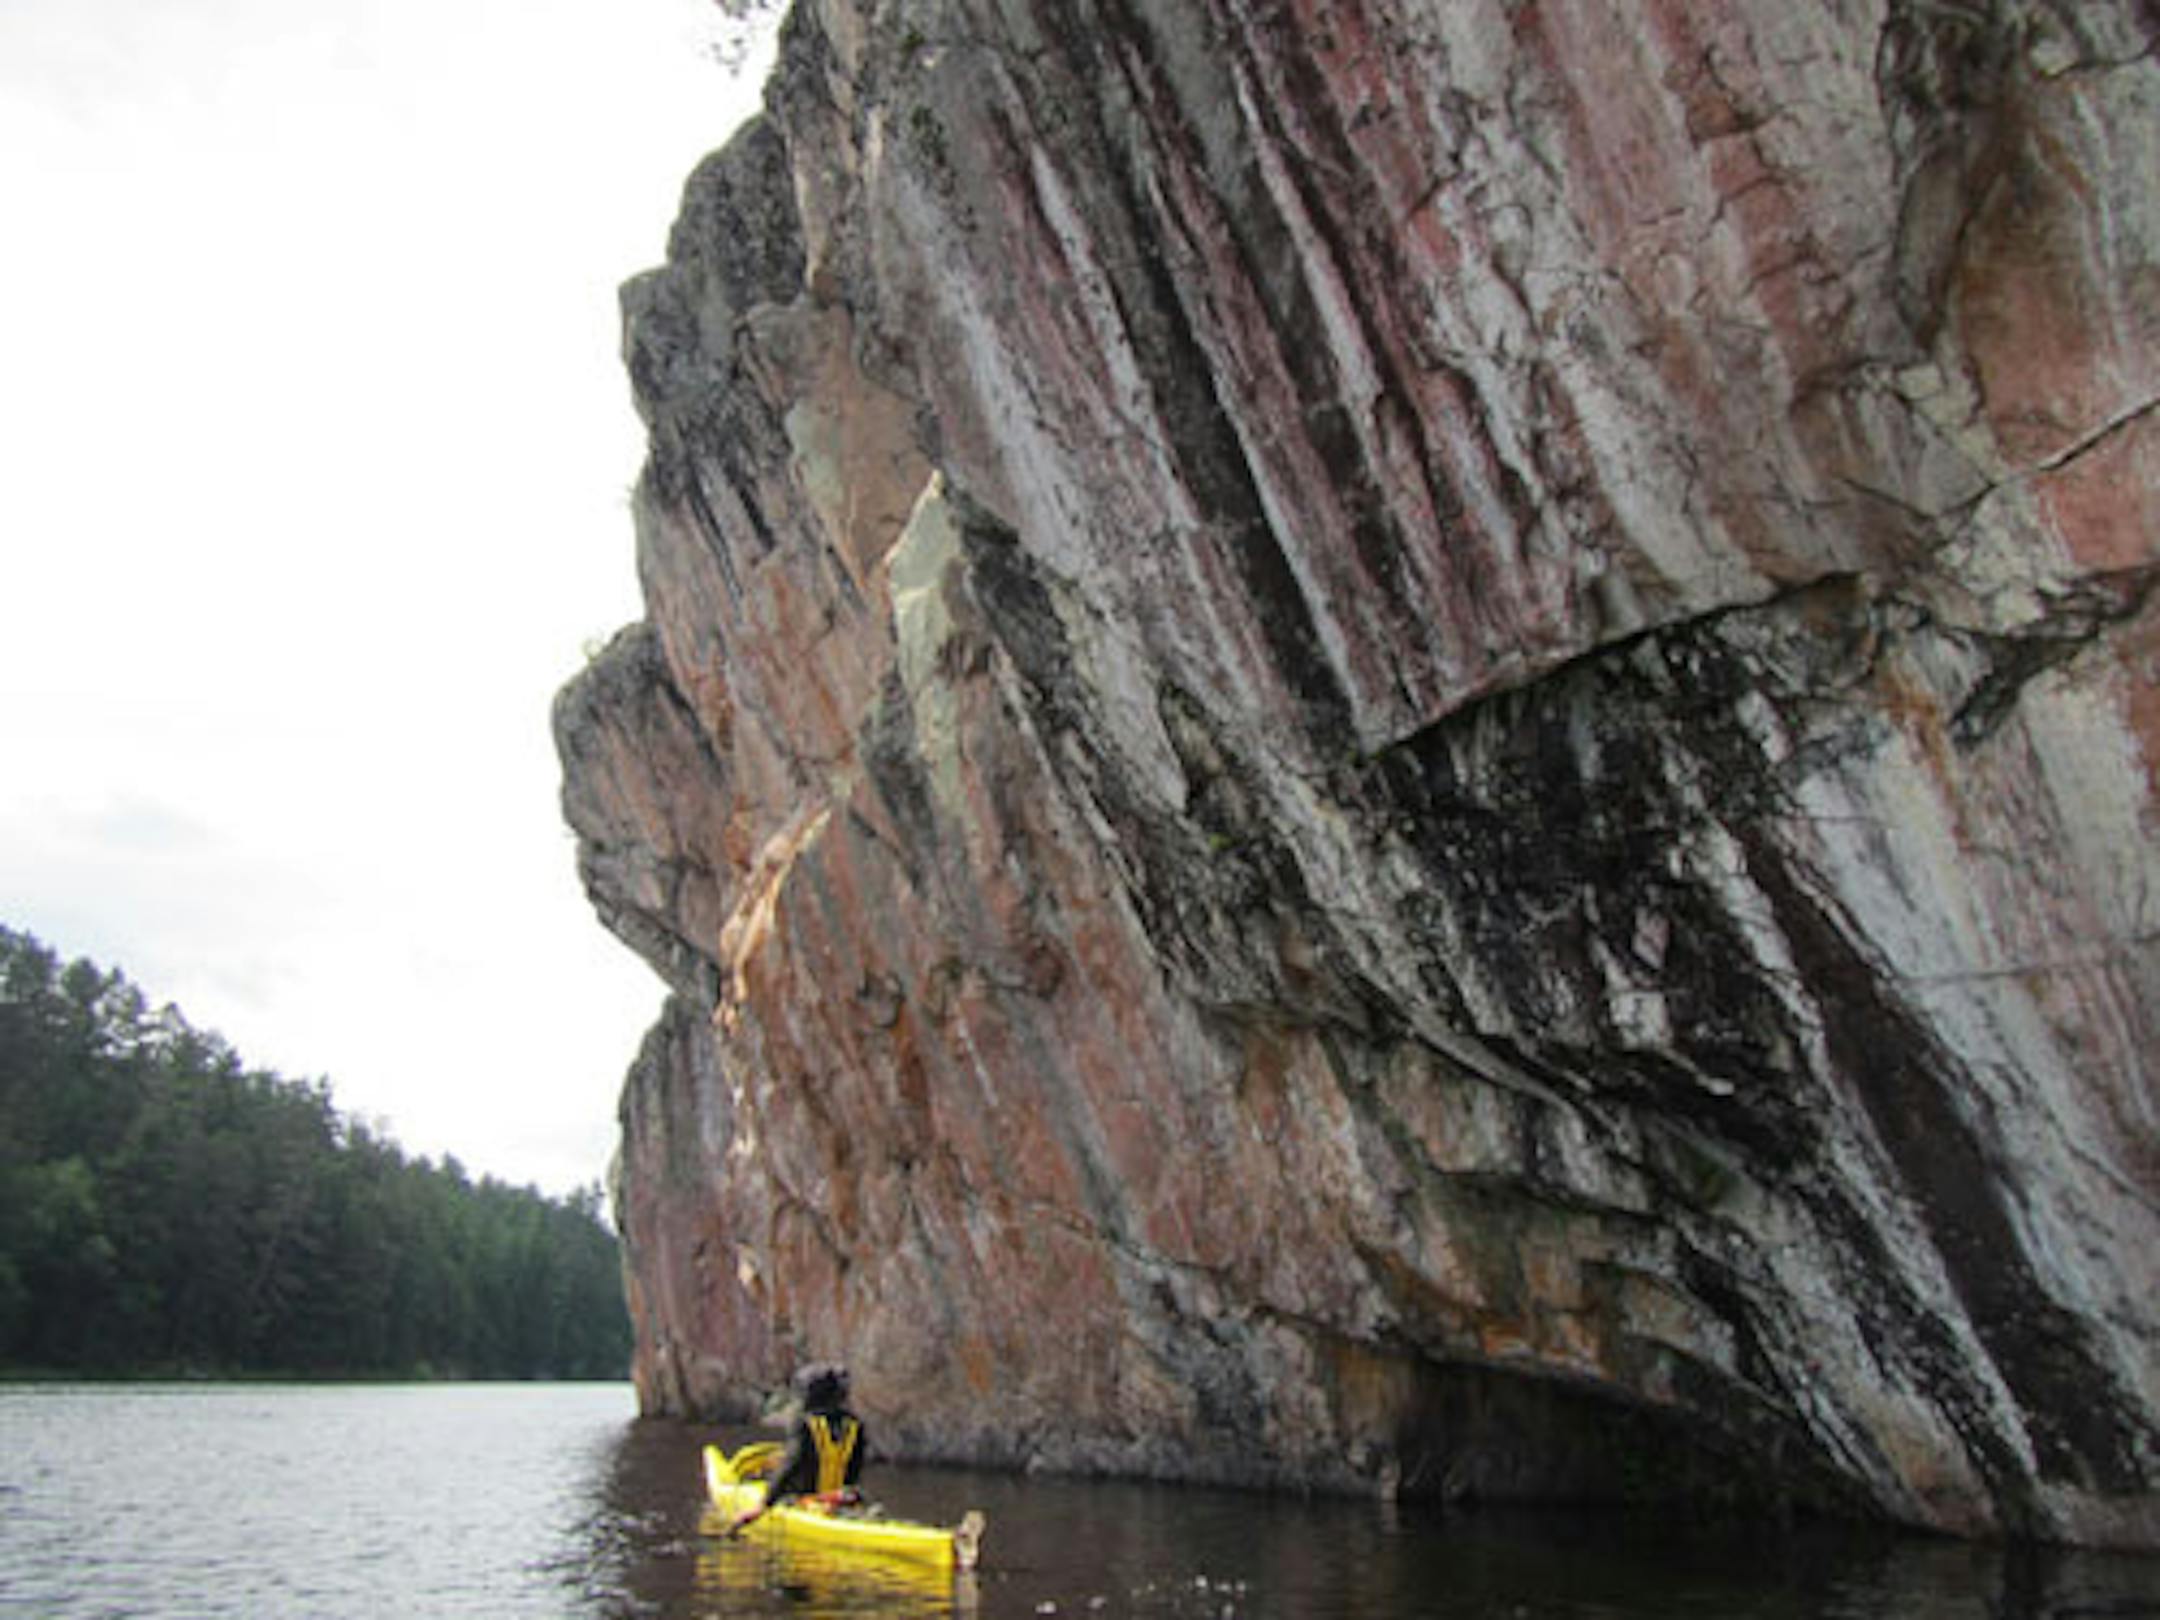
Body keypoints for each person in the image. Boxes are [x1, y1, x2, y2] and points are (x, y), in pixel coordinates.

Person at [727, 1361, 867, 1533]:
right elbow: (853, 1472)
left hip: (806, 1505)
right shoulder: (854, 1425)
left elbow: (792, 1464)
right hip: (841, 1503)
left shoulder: (804, 1424)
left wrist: (763, 1504)